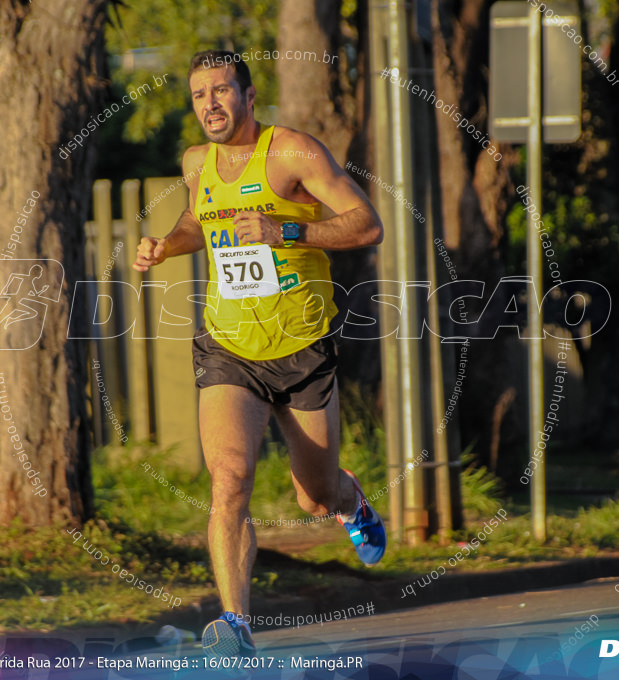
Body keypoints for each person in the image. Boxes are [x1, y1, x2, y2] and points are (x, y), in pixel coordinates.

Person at [133, 49, 386, 658]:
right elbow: (201, 222)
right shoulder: (198, 162)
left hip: (301, 348)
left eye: (221, 91)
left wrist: (285, 230)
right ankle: (235, 624)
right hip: (230, 348)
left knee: (314, 496)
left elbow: (367, 223)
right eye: (199, 95)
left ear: (248, 96)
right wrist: (167, 245)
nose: (210, 105)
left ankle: (348, 500)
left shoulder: (294, 152)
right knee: (229, 480)